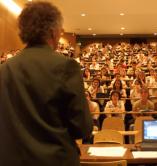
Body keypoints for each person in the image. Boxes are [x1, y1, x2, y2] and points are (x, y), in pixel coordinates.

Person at [0, 2, 93, 166]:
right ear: (53, 31)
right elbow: (82, 129)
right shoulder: (66, 66)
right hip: (55, 160)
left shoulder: (4, 70)